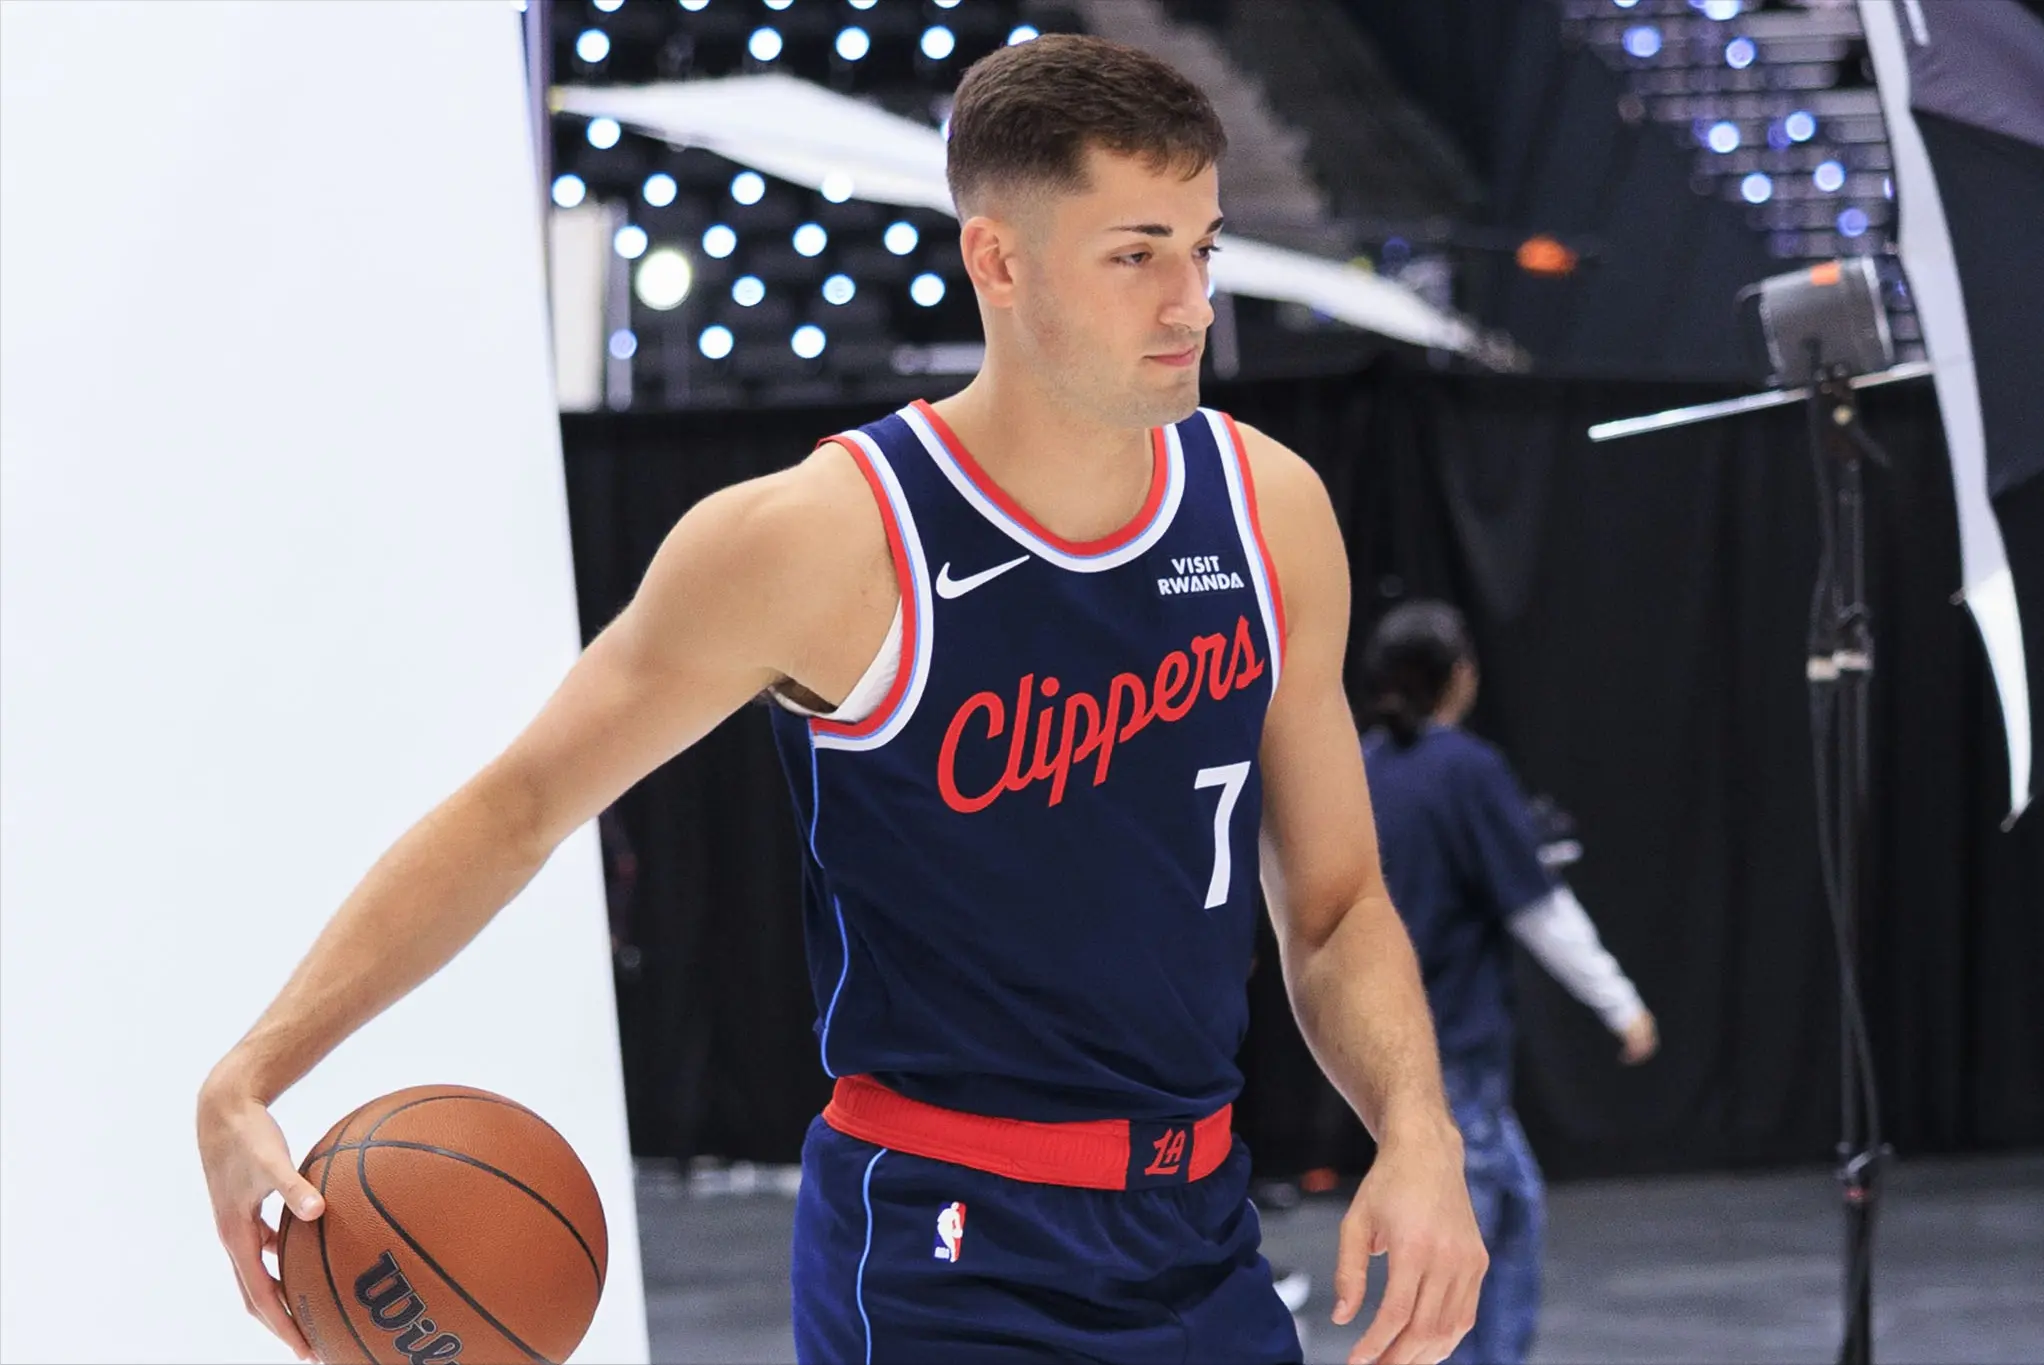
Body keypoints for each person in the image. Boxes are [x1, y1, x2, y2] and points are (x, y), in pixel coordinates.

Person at [197, 36, 1487, 1364]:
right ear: (998, 260)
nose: (1191, 302)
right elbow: (519, 808)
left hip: (1198, 1230)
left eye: (1202, 248)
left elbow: (1335, 906)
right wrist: (252, 1073)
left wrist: (1418, 1132)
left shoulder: (1269, 511)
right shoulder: (821, 540)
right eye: (1136, 254)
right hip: (943, 1249)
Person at [1359, 601, 1659, 1365]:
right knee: (1464, 1248)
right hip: (1452, 1045)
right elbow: (1539, 908)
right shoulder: (1466, 771)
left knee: (1511, 1210)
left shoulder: (1364, 767)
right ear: (1459, 676)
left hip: (1385, 1046)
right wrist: (1620, 1002)